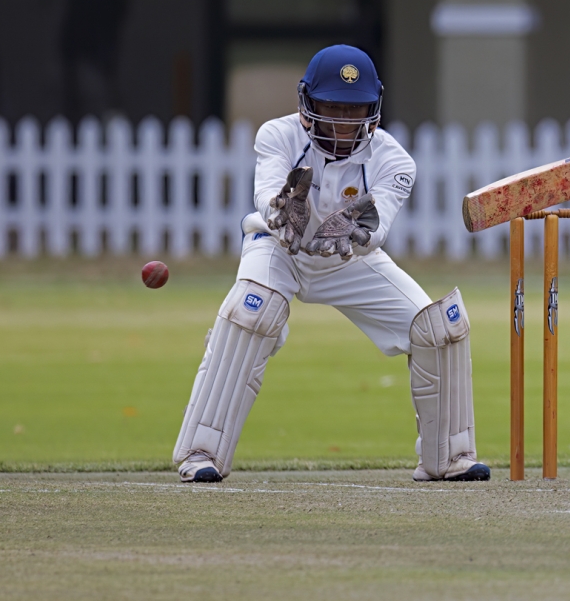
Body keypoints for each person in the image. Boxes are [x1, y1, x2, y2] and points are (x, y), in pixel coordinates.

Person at [173, 45, 490, 484]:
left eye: (354, 109)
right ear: (308, 105)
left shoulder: (395, 160)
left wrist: (357, 232)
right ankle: (200, 453)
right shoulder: (277, 135)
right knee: (251, 314)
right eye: (333, 108)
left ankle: (449, 458)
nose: (344, 121)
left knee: (438, 329)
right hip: (279, 249)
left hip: (347, 260)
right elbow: (266, 192)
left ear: (373, 109)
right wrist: (281, 209)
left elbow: (378, 227)